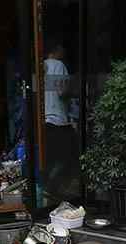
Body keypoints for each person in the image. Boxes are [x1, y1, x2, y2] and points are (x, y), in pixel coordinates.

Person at [43, 42, 78, 198]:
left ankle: (49, 189)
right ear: (57, 49)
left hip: (44, 120)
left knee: (50, 159)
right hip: (58, 120)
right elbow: (62, 92)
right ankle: (51, 187)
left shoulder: (41, 66)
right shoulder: (59, 65)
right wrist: (73, 90)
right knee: (68, 157)